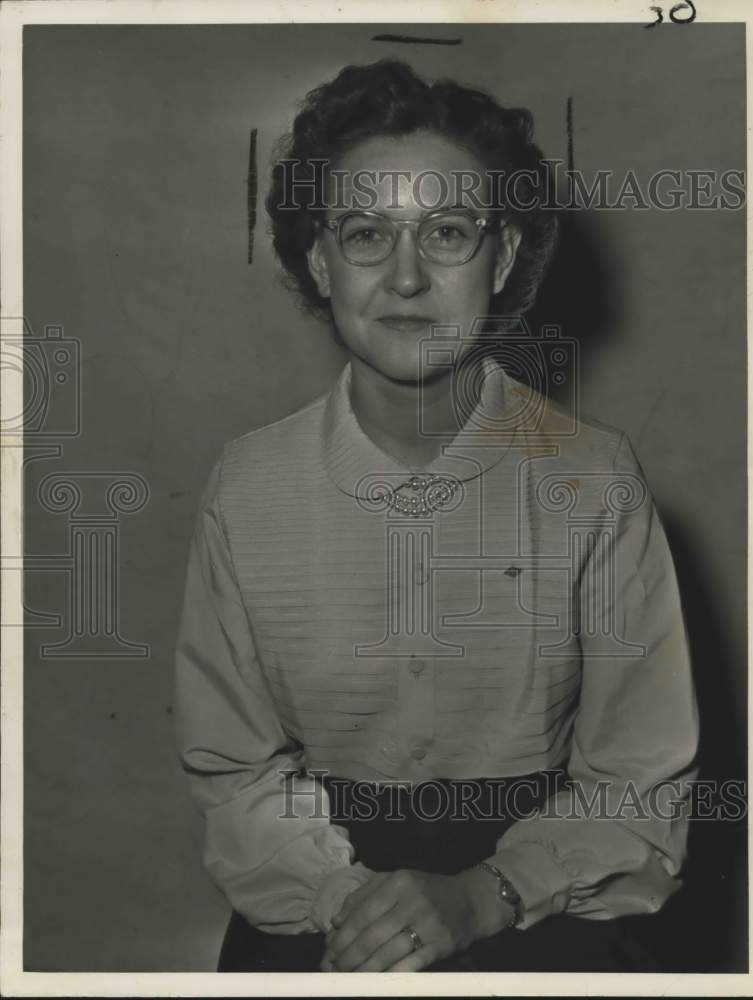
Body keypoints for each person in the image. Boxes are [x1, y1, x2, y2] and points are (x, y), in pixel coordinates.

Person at [173, 59, 699, 973]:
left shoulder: (598, 480)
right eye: (366, 234)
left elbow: (636, 783)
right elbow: (234, 773)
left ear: (499, 258)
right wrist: (348, 901)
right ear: (318, 259)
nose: (407, 278)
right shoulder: (246, 485)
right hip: (318, 912)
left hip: (546, 912)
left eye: (447, 231)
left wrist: (483, 896)